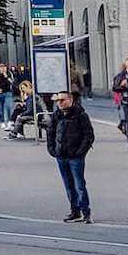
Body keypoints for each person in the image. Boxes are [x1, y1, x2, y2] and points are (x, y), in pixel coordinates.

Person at [46, 91, 95, 223]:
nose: (59, 103)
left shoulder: (80, 115)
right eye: (58, 101)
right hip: (61, 155)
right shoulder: (56, 115)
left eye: (62, 100)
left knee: (79, 184)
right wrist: (52, 150)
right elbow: (50, 132)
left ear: (70, 100)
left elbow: (89, 135)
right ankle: (75, 211)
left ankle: (86, 211)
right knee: (68, 185)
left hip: (75, 156)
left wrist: (80, 151)